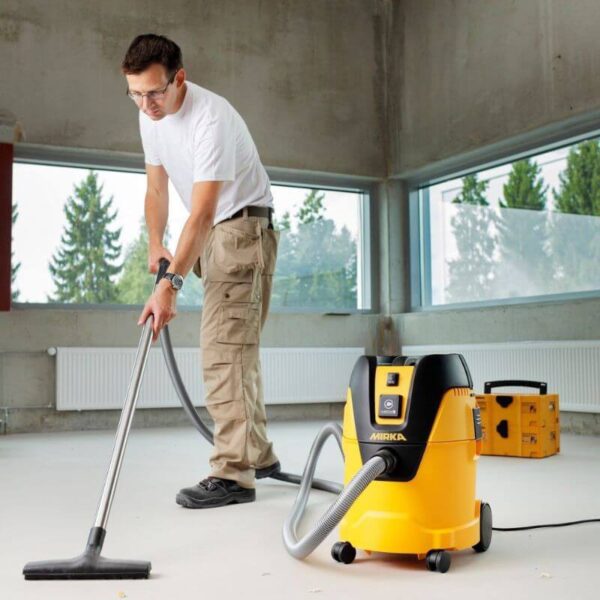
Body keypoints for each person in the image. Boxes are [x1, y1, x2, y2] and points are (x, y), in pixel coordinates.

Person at [121, 33, 281, 508]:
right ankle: (257, 454)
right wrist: (156, 242)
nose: (146, 104)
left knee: (223, 351)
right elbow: (156, 189)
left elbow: (205, 210)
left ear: (179, 79)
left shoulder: (210, 117)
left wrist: (171, 284)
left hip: (240, 229)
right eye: (135, 94)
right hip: (214, 232)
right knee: (237, 351)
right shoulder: (149, 117)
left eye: (154, 92)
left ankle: (233, 474)